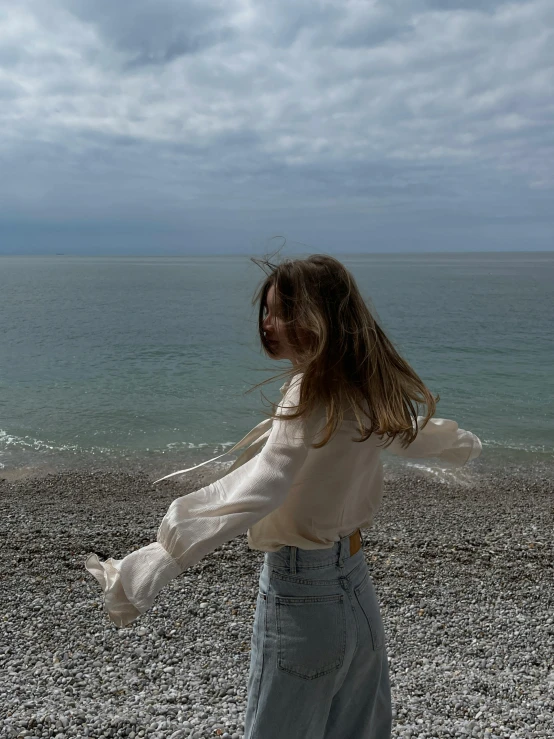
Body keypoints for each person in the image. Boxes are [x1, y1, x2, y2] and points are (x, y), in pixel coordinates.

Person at [85, 253, 482, 739]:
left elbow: (267, 484)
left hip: (304, 595)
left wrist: (157, 559)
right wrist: (458, 446)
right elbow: (408, 433)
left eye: (281, 313)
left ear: (318, 318)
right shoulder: (363, 385)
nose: (268, 325)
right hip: (357, 592)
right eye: (266, 312)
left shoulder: (311, 391)